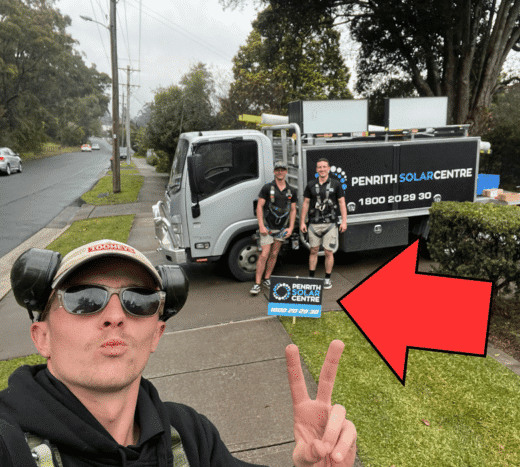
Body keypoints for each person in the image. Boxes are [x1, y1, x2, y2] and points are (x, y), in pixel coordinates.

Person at [0, 239, 357, 466]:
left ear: (156, 334)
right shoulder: (8, 443)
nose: (114, 316)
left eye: (138, 300)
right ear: (42, 336)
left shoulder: (190, 436)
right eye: (84, 298)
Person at [251, 161, 298, 295]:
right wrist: (261, 225)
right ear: (274, 172)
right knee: (264, 254)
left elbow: (293, 210)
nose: (280, 172)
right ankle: (257, 284)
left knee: (274, 254)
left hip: (281, 229)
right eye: (277, 169)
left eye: (282, 169)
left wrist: (290, 228)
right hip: (267, 228)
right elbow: (259, 206)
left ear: (286, 172)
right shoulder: (267, 188)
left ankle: (267, 278)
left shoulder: (291, 191)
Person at [300, 158, 347, 290]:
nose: (322, 169)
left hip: (330, 224)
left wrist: (344, 221)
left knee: (328, 252)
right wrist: (302, 221)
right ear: (316, 169)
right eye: (319, 167)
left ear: (328, 168)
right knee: (313, 250)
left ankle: (327, 279)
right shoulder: (310, 185)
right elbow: (306, 203)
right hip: (314, 223)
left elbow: (342, 203)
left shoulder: (336, 184)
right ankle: (311, 278)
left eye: (324, 167)